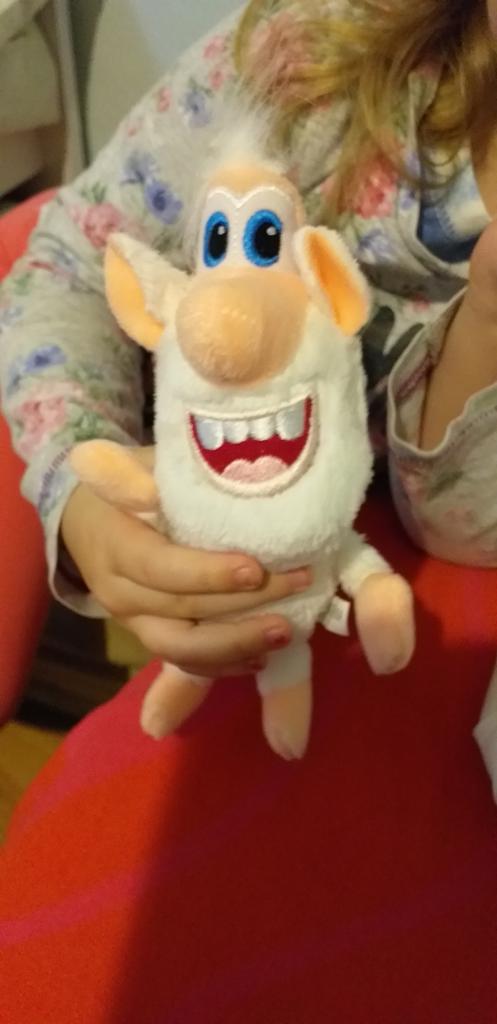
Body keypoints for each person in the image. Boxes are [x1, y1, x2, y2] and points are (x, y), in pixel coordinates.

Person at [0, 0, 496, 686]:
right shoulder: (315, 53)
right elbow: (71, 264)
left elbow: (456, 526)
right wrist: (81, 491)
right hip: (224, 594)